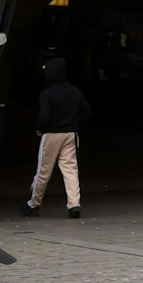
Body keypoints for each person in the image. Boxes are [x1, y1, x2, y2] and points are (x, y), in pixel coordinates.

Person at [24, 57, 89, 218]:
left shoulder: (47, 94)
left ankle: (33, 204)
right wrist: (75, 123)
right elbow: (87, 111)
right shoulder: (75, 91)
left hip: (52, 135)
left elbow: (44, 118)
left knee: (44, 171)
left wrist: (39, 128)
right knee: (70, 169)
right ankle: (74, 204)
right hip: (70, 134)